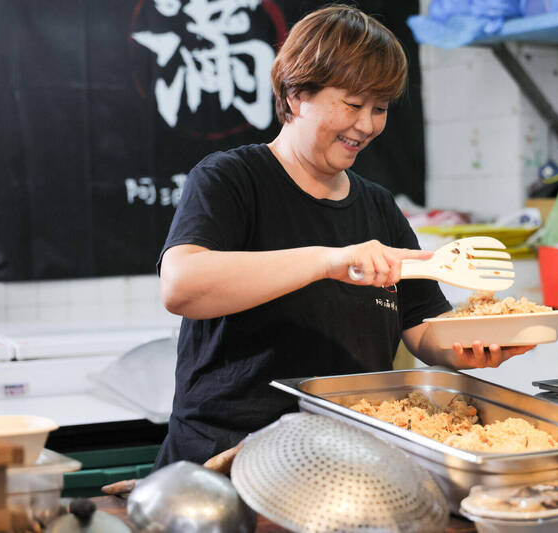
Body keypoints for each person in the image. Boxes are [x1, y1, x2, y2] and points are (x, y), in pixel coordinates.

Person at [154, 4, 532, 468]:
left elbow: (422, 327)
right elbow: (181, 286)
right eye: (353, 105)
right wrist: (330, 261)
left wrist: (475, 346)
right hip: (223, 460)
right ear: (295, 95)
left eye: (380, 109)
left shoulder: (377, 207)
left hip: (343, 460)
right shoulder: (231, 179)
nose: (368, 125)